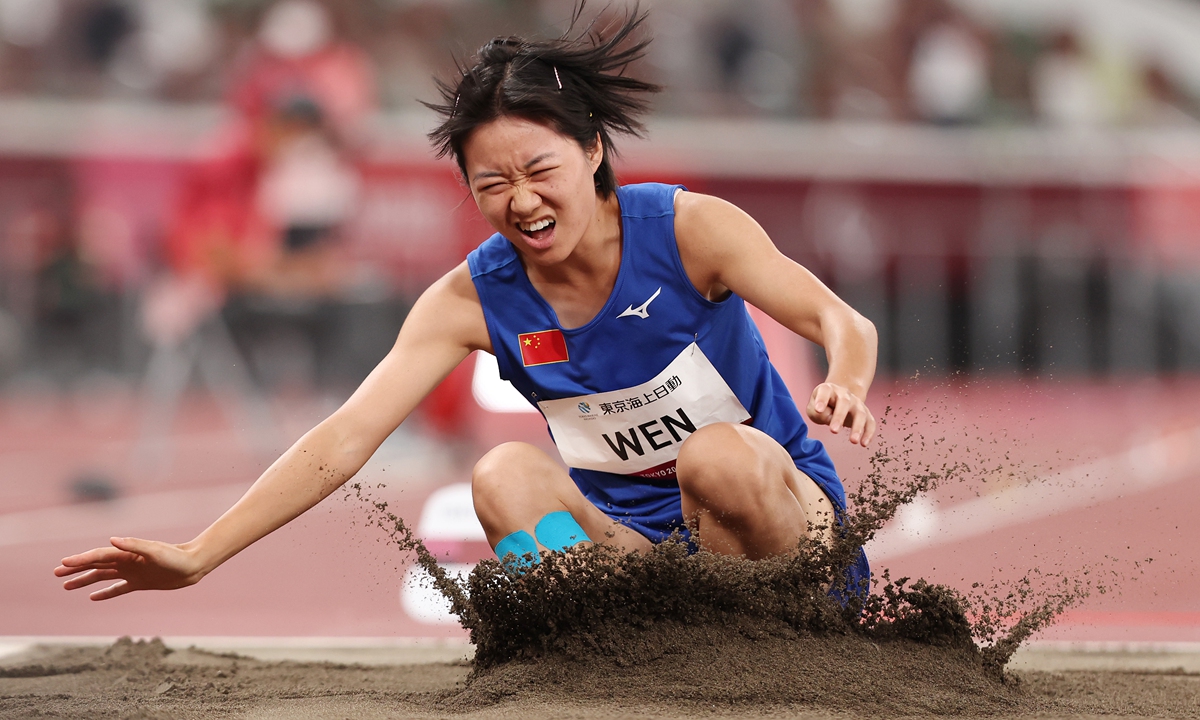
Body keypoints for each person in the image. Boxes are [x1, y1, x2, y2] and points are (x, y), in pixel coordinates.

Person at [55, 9, 877, 602]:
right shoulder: (471, 298)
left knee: (715, 456)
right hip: (643, 559)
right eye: (493, 184)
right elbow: (345, 438)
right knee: (503, 477)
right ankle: (601, 643)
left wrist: (845, 376)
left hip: (789, 538)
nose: (522, 202)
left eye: (539, 170)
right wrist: (201, 554)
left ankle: (775, 647)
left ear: (593, 151)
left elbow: (846, 321)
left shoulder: (690, 231)